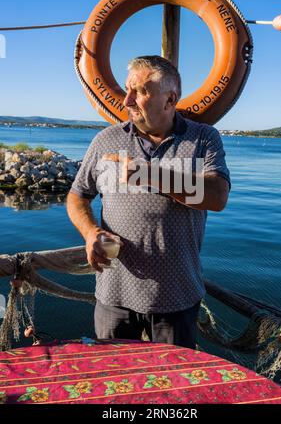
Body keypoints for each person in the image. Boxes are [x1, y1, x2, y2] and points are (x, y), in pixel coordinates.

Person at [67, 55, 230, 349]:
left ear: (170, 100)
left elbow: (216, 197)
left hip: (176, 299)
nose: (127, 100)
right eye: (127, 89)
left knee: (173, 387)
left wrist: (147, 175)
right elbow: (78, 195)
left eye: (140, 91)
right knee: (114, 379)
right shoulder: (105, 140)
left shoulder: (203, 138)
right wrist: (90, 232)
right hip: (113, 296)